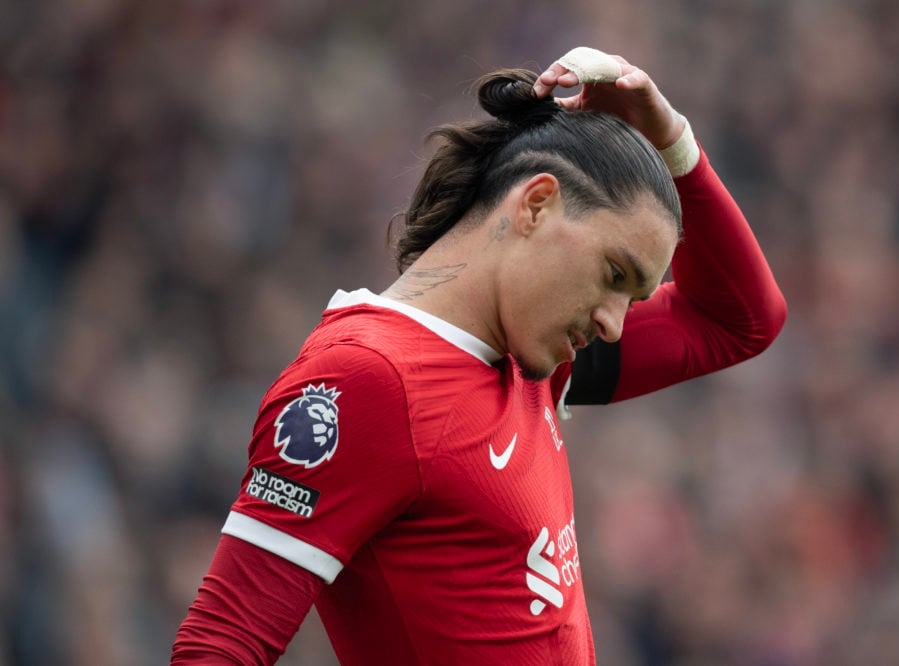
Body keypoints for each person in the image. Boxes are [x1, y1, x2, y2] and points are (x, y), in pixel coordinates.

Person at [170, 46, 787, 664]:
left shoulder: (531, 360)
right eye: (613, 273)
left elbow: (743, 320)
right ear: (536, 204)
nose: (615, 323)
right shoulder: (367, 381)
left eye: (633, 296)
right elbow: (219, 646)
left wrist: (670, 138)